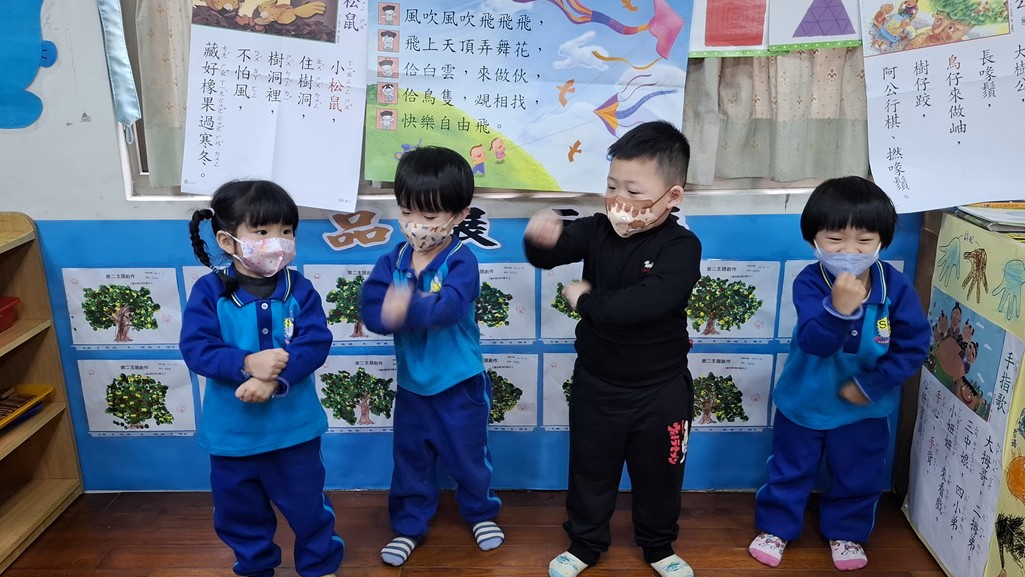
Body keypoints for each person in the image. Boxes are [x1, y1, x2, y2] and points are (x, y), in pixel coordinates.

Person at [523, 120, 702, 577]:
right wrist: (539, 240)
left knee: (661, 474)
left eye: (634, 191)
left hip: (660, 390)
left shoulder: (682, 246)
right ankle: (585, 544)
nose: (619, 200)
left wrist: (584, 301)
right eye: (611, 186)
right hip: (597, 383)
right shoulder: (597, 229)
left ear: (672, 196)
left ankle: (659, 547)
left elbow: (647, 303)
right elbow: (549, 253)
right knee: (590, 469)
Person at [748, 176, 930, 571]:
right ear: (813, 238)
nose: (849, 251)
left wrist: (873, 384)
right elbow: (815, 342)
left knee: (859, 473)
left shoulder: (895, 288)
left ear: (882, 241)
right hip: (805, 400)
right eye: (835, 239)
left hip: (864, 408)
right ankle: (776, 527)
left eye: (864, 240)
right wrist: (839, 309)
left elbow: (914, 344)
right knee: (790, 468)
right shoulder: (810, 282)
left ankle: (847, 532)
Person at [180, 180, 344, 577]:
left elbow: (315, 343)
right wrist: (247, 363)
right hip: (231, 437)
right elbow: (196, 348)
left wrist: (273, 380)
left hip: (295, 433)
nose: (278, 241)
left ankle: (320, 566)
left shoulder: (299, 289)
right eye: (262, 231)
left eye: (287, 231)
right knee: (239, 515)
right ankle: (255, 567)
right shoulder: (209, 292)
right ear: (228, 240)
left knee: (308, 508)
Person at [360, 146, 504, 567]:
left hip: (460, 383)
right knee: (411, 460)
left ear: (459, 215)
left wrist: (404, 306)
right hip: (412, 386)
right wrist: (385, 314)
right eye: (406, 211)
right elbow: (372, 310)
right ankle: (409, 525)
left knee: (469, 456)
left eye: (429, 215)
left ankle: (480, 512)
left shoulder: (462, 260)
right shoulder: (393, 259)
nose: (415, 224)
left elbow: (450, 308)